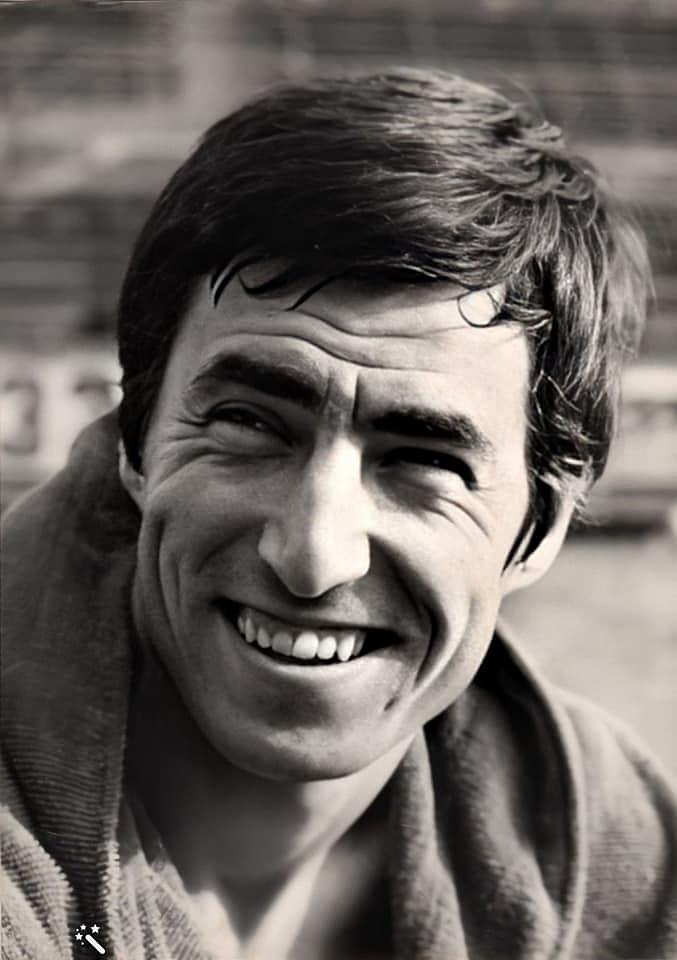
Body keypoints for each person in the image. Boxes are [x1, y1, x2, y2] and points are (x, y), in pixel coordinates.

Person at [2, 69, 676, 960]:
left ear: (541, 527)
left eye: (423, 461)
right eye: (248, 424)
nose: (312, 555)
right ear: (135, 445)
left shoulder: (617, 849)